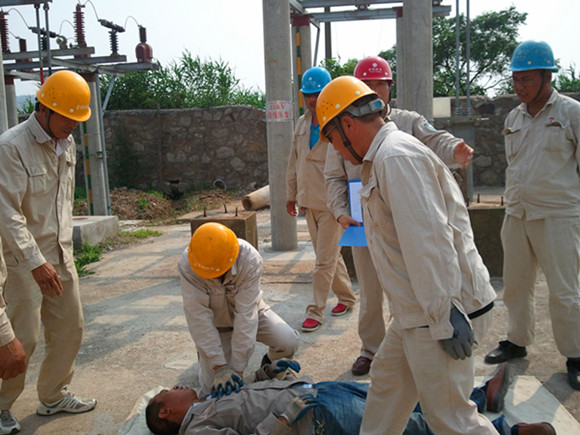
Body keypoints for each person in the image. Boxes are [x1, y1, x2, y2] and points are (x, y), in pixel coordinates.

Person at [316, 76, 498, 434]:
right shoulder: (382, 157)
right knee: (386, 392)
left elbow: (428, 242)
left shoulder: (396, 157)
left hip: (440, 312)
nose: (336, 150)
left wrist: (443, 316)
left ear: (348, 125)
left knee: (451, 419)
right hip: (415, 310)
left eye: (332, 139)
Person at [325, 55, 474, 375]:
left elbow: (434, 138)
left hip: (400, 221)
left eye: (379, 84)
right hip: (362, 222)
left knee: (408, 283)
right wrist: (340, 213)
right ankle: (371, 348)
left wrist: (455, 149)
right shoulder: (342, 126)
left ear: (389, 87)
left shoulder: (405, 123)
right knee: (370, 291)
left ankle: (409, 341)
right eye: (367, 85)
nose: (374, 90)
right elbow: (333, 178)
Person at [0, 70, 97, 434]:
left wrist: (61, 253)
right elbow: (7, 213)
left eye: (78, 119)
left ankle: (53, 395)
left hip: (60, 253)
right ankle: (1, 406)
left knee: (71, 328)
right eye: (67, 117)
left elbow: (61, 205)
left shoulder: (66, 144)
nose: (73, 125)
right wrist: (36, 263)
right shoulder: (11, 147)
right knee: (21, 339)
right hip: (22, 260)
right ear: (44, 108)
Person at [483, 40, 580, 391]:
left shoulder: (570, 113)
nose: (519, 86)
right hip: (517, 213)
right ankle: (517, 340)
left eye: (526, 79)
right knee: (516, 285)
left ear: (547, 76)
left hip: (558, 215)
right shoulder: (514, 117)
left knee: (565, 291)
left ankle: (576, 355)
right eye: (515, 79)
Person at [145, 359, 555, 435]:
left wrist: (266, 372)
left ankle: (479, 397)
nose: (177, 387)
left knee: (399, 395)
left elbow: (249, 396)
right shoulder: (197, 429)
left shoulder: (207, 401)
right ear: (166, 413)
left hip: (317, 392)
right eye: (169, 392)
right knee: (406, 425)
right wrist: (283, 420)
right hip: (313, 416)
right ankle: (508, 433)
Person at [177, 222, 300, 397]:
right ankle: (206, 357)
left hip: (251, 311)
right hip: (217, 325)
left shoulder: (249, 259)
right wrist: (219, 366)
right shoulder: (189, 264)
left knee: (288, 341)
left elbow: (246, 316)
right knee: (212, 393)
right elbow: (198, 317)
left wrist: (237, 370)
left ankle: (268, 369)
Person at [286, 66, 356, 333]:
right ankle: (347, 297)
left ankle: (315, 311)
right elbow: (294, 161)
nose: (312, 100)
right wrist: (291, 195)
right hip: (309, 201)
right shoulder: (302, 124)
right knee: (328, 255)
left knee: (323, 261)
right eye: (308, 95)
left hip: (332, 204)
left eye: (317, 94)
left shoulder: (339, 123)